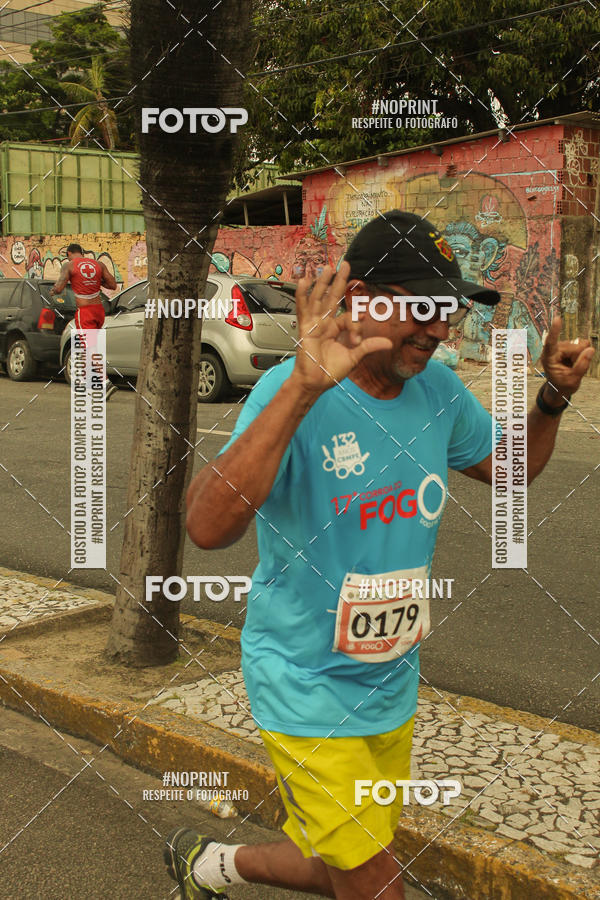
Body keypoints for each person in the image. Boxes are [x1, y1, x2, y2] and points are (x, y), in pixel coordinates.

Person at [165, 211, 594, 899]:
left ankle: (210, 864)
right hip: (303, 686)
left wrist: (551, 398)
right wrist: (303, 387)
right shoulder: (290, 394)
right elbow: (207, 527)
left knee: (343, 858)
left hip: (391, 685)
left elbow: (510, 469)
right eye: (419, 305)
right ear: (360, 298)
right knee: (374, 879)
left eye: (447, 309)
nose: (437, 327)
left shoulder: (439, 392)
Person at [50, 243, 118, 399]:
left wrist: (53, 291)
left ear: (68, 253)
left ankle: (105, 382)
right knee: (88, 345)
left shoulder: (68, 266)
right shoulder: (99, 264)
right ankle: (86, 385)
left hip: (85, 312)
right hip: (99, 311)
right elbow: (113, 285)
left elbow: (59, 287)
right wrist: (96, 282)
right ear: (82, 252)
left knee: (89, 348)